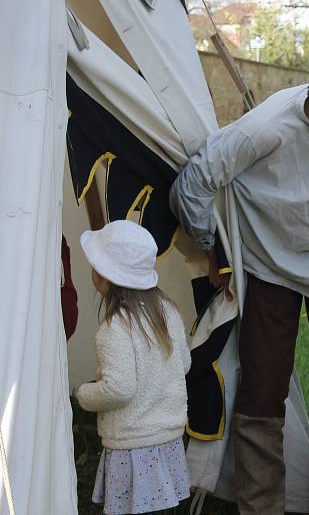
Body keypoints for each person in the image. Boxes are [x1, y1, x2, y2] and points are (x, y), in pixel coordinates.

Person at [169, 32, 309, 514]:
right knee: (261, 393)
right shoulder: (268, 125)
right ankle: (261, 508)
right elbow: (194, 180)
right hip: (267, 268)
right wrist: (214, 248)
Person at [74, 220, 191, 515]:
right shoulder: (168, 313)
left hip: (133, 448)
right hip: (169, 442)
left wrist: (83, 394)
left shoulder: (115, 328)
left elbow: (119, 388)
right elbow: (184, 363)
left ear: (102, 275)